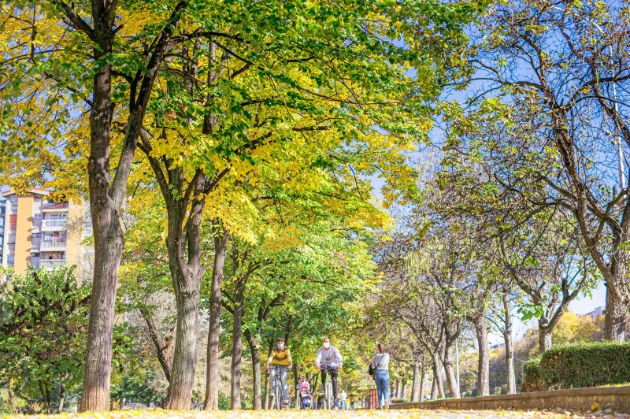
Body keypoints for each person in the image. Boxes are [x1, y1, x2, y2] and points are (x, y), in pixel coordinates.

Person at [315, 336, 343, 409]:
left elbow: (339, 357)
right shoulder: (320, 349)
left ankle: (336, 403)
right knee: (323, 373)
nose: (325, 343)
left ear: (329, 342)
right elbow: (318, 358)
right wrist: (317, 364)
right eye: (324, 341)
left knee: (334, 380)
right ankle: (322, 390)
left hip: (333, 366)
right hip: (324, 365)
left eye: (327, 341)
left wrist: (340, 364)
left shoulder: (334, 349)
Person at [267, 337, 292, 408]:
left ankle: (286, 399)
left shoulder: (287, 349)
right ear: (277, 344)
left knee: (283, 381)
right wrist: (268, 363)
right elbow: (271, 357)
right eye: (279, 343)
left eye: (281, 343)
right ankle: (273, 388)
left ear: (283, 343)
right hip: (275, 365)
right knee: (272, 373)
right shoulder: (274, 349)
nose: (280, 344)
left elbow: (289, 357)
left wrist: (290, 364)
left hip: (284, 366)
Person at [371, 342, 390, 409]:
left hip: (378, 373)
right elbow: (387, 362)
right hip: (385, 373)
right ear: (384, 348)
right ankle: (386, 403)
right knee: (385, 389)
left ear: (378, 348)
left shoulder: (375, 356)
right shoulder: (387, 355)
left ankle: (380, 405)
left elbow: (373, 366)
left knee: (379, 389)